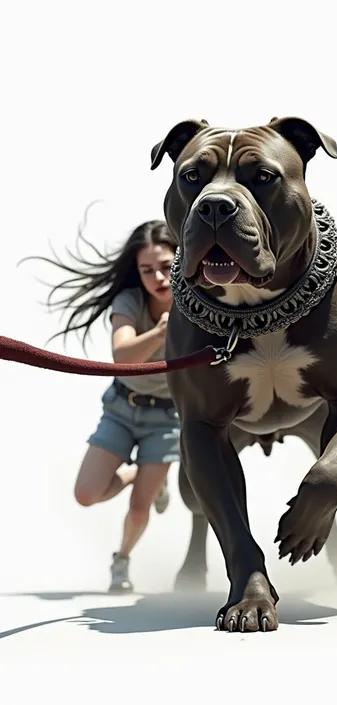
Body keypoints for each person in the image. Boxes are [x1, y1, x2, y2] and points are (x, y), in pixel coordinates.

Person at [27, 217, 180, 593]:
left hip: (167, 417)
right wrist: (160, 332)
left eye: (166, 267)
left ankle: (122, 560)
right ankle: (139, 473)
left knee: (141, 508)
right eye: (147, 270)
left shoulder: (203, 300)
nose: (158, 278)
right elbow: (122, 355)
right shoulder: (129, 300)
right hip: (122, 408)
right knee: (85, 495)